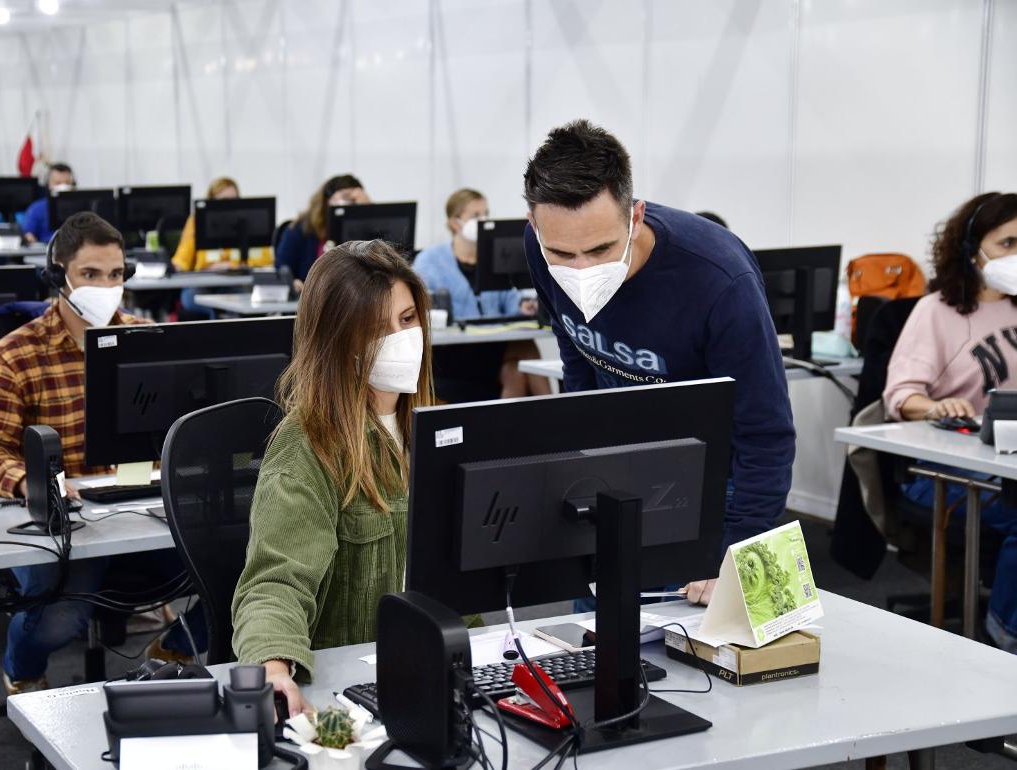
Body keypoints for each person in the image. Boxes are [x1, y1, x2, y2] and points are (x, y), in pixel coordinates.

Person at [523, 120, 795, 606]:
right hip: (618, 472)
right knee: (596, 641)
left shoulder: (718, 280)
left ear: (636, 216)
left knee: (711, 652)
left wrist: (738, 552)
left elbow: (766, 431)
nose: (581, 271)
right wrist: (583, 458)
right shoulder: (539, 250)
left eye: (602, 249)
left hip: (720, 484)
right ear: (534, 226)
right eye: (563, 253)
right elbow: (577, 350)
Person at [0, 211, 202, 692]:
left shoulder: (148, 340)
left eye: (115, 275)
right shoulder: (13, 355)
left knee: (242, 575)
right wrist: (44, 484)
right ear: (59, 276)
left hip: (140, 509)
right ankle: (23, 672)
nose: (105, 286)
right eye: (90, 275)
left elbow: (179, 430)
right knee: (62, 616)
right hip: (63, 520)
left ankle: (174, 647)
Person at [232, 239, 434, 715]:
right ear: (338, 342)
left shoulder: (435, 428)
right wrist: (273, 670)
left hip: (438, 672)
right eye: (375, 330)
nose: (403, 339)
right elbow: (276, 582)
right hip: (353, 688)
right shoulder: (309, 446)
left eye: (407, 321)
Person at [884, 191, 1017, 654]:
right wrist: (936, 407)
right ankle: (1004, 643)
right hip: (941, 469)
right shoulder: (938, 311)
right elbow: (901, 396)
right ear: (971, 247)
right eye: (1008, 243)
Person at [414, 188, 550, 399]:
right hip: (454, 351)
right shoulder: (429, 261)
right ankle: (557, 416)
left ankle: (539, 419)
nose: (483, 220)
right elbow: (422, 309)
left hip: (494, 344)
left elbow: (510, 299)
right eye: (475, 216)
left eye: (486, 213)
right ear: (455, 223)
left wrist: (523, 306)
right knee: (524, 352)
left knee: (517, 366)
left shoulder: (496, 255)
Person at [275, 174, 369, 286]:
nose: (352, 205)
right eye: (347, 198)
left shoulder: (366, 230)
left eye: (358, 201)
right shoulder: (300, 229)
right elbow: (280, 270)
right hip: (308, 297)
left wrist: (367, 209)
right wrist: (292, 283)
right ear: (326, 201)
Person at [171, 177, 273, 272]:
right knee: (191, 292)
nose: (230, 207)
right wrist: (173, 267)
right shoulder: (196, 221)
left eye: (234, 201)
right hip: (204, 279)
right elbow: (183, 258)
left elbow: (265, 261)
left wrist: (231, 265)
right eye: (224, 201)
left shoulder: (248, 222)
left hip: (236, 278)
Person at [20, 162, 75, 244]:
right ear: (48, 184)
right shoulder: (37, 208)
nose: (63, 187)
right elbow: (28, 234)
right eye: (58, 183)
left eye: (67, 183)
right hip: (45, 252)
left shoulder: (83, 206)